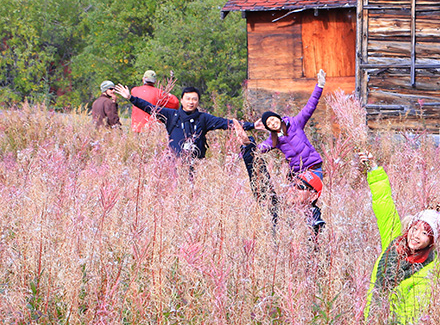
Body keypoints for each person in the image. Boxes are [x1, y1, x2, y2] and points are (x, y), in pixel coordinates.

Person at [362, 152, 440, 325]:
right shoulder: (394, 240)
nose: (416, 235)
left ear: (432, 241)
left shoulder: (429, 270)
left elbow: (409, 318)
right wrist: (373, 168)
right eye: (415, 228)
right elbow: (384, 203)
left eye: (425, 233)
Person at [248, 70, 327, 230]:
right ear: (268, 127)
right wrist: (249, 135)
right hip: (297, 173)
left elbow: (309, 107)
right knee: (293, 200)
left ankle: (314, 219)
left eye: (273, 119)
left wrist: (320, 86)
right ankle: (310, 226)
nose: (272, 123)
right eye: (269, 123)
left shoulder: (295, 124)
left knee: (304, 193)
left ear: (278, 118)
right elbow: (258, 150)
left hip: (313, 168)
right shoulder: (274, 140)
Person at [113, 84, 242, 159]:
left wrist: (252, 125)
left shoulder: (204, 118)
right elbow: (150, 108)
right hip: (175, 162)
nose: (191, 102)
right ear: (181, 100)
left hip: (196, 163)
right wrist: (131, 98)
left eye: (194, 99)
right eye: (188, 99)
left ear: (198, 101)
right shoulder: (171, 114)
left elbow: (226, 123)